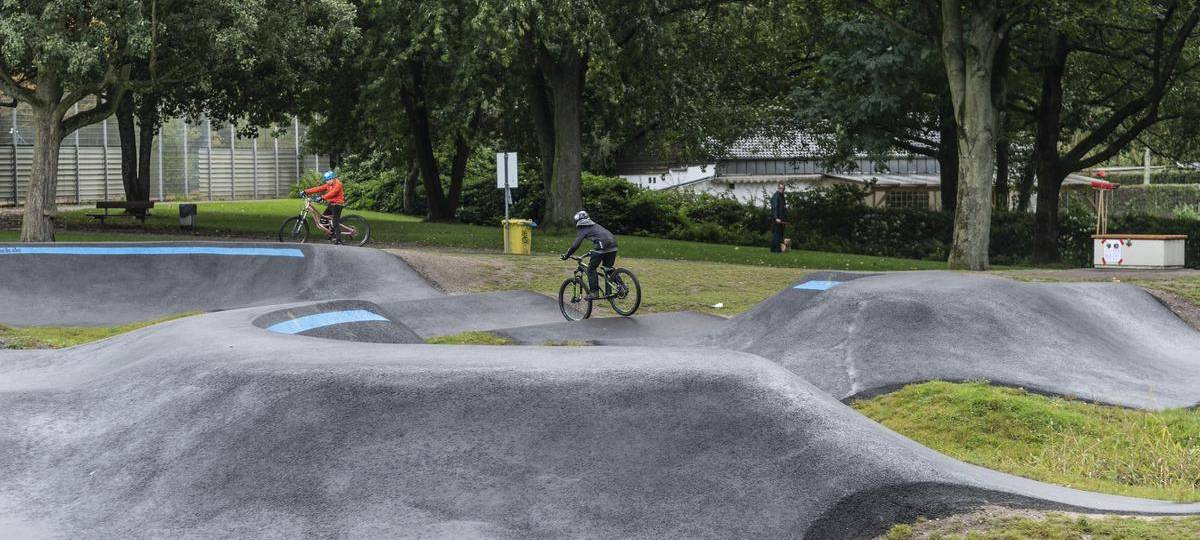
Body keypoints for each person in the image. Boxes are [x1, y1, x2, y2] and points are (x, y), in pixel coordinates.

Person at [560, 210, 618, 300]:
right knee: (608, 268)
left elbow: (575, 245)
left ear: (578, 222)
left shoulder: (584, 229)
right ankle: (621, 287)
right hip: (613, 245)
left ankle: (594, 292)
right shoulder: (596, 225)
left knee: (591, 269)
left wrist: (567, 255)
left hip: (602, 247)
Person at [304, 171, 346, 245]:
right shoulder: (329, 184)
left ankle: (339, 240)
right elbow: (319, 188)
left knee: (335, 223)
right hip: (331, 204)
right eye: (326, 180)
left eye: (328, 180)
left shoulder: (338, 184)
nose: (327, 181)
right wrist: (306, 191)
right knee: (323, 219)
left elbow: (333, 193)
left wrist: (322, 197)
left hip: (337, 205)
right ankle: (331, 233)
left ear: (333, 178)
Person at [770, 182, 787, 253]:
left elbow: (783, 208)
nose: (782, 190)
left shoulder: (782, 196)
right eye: (780, 188)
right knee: (777, 234)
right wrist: (776, 217)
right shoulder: (776, 197)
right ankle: (776, 250)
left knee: (780, 234)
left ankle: (776, 249)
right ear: (778, 188)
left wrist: (785, 219)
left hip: (781, 219)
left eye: (783, 188)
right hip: (777, 219)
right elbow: (775, 208)